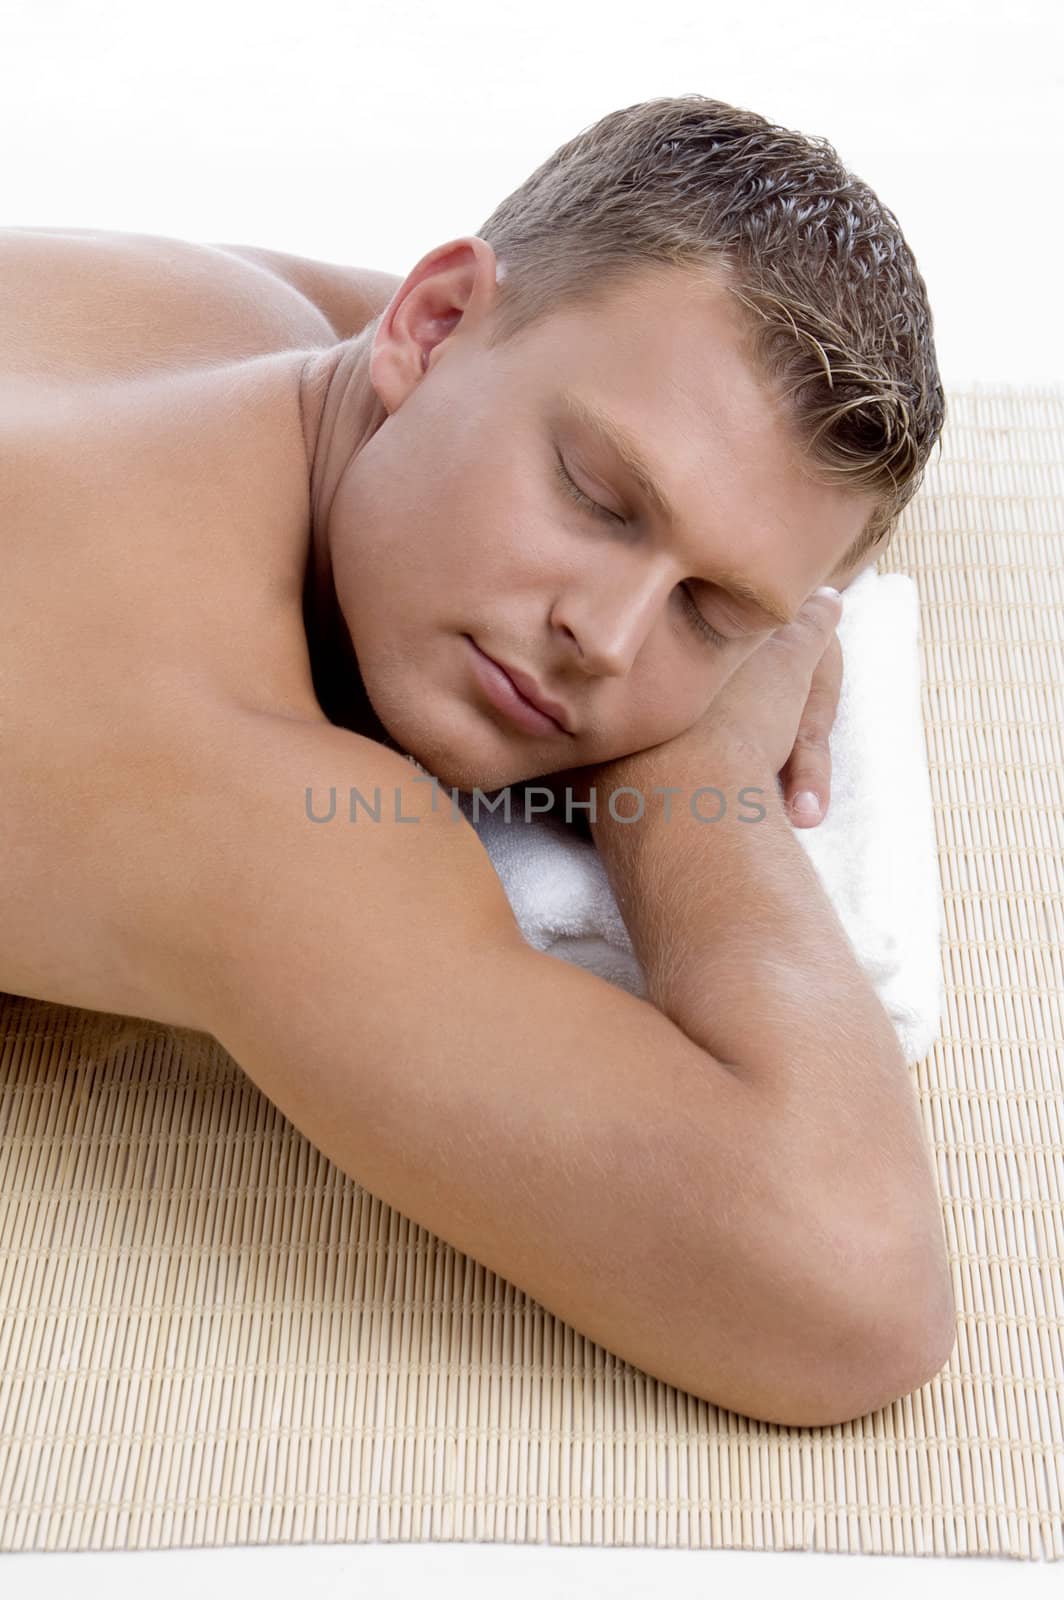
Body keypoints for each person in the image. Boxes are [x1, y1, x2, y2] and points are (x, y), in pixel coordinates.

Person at [0, 95, 953, 1426]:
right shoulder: (229, 778)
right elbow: (857, 1296)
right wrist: (705, 765)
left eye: (710, 612)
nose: (606, 641)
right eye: (601, 497)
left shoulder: (252, 323)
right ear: (432, 326)